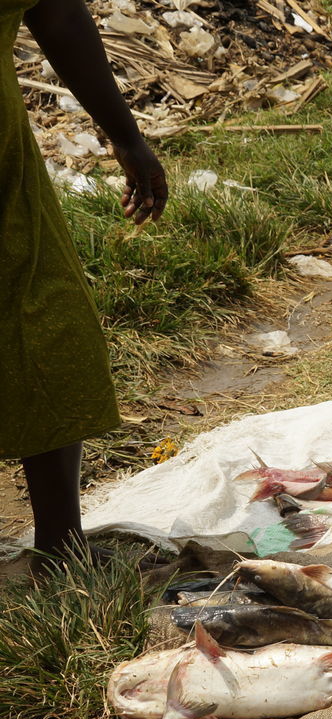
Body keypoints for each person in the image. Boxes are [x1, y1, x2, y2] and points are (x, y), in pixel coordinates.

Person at [1, 0, 167, 570]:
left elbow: (58, 13)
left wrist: (126, 135)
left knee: (47, 318)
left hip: (4, 173)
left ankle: (60, 547)